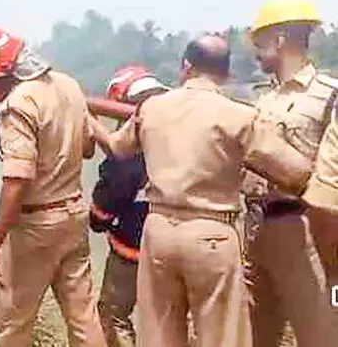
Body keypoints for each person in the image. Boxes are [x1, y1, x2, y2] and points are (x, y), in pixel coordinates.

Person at [91, 34, 315, 347]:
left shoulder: (151, 109)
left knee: (159, 336)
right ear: (226, 74)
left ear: (186, 66)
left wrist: (89, 119)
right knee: (221, 335)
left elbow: (117, 147)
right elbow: (296, 174)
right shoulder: (238, 115)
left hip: (158, 233)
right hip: (211, 235)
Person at [0, 26, 106, 347]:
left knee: (13, 322)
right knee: (83, 317)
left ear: (0, 73)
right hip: (73, 215)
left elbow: (17, 181)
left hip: (35, 227)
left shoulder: (18, 104)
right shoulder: (68, 85)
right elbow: (87, 148)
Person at [242, 0, 338, 346]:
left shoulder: (329, 95)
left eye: (260, 43)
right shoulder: (263, 98)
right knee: (254, 335)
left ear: (279, 39)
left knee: (320, 332)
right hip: (256, 228)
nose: (256, 53)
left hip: (306, 229)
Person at [90, 66, 170, 347]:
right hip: (186, 239)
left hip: (135, 244)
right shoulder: (182, 120)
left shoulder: (136, 134)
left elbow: (115, 188)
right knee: (171, 318)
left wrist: (97, 218)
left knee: (114, 314)